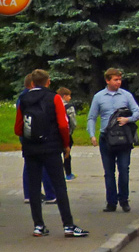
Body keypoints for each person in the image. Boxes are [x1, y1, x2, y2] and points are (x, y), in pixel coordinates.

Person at [15, 69, 87, 237]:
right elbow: (63, 124)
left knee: (33, 187)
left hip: (31, 148)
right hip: (51, 147)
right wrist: (65, 144)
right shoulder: (54, 97)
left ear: (32, 83)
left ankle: (38, 226)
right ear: (48, 82)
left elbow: (18, 127)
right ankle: (68, 225)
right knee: (59, 185)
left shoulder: (24, 99)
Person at [87, 68, 139, 213]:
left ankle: (124, 200)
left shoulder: (126, 95)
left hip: (123, 138)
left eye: (119, 79)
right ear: (107, 80)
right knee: (108, 172)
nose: (118, 82)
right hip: (106, 138)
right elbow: (92, 117)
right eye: (115, 79)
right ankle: (111, 202)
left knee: (124, 169)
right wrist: (92, 135)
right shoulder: (99, 97)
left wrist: (127, 119)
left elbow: (137, 112)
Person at [17, 74, 57, 205]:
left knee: (28, 165)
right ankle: (51, 194)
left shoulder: (22, 98)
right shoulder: (39, 97)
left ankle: (29, 193)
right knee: (44, 163)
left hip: (26, 133)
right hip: (40, 135)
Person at [57, 86, 79, 180]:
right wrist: (72, 130)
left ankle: (58, 173)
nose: (70, 98)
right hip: (66, 133)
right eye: (69, 96)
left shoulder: (53, 105)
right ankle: (68, 173)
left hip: (56, 133)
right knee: (67, 153)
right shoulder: (69, 107)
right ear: (64, 96)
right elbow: (73, 121)